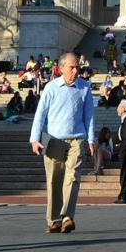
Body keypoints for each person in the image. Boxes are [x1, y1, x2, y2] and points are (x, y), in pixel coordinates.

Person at [31, 51, 96, 233]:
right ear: (61, 69)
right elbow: (40, 115)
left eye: (77, 67)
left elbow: (89, 116)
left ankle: (67, 216)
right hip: (54, 141)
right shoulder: (51, 88)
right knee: (54, 181)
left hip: (77, 140)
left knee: (73, 178)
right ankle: (53, 220)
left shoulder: (85, 88)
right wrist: (35, 139)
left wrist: (91, 139)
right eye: (72, 67)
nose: (75, 71)